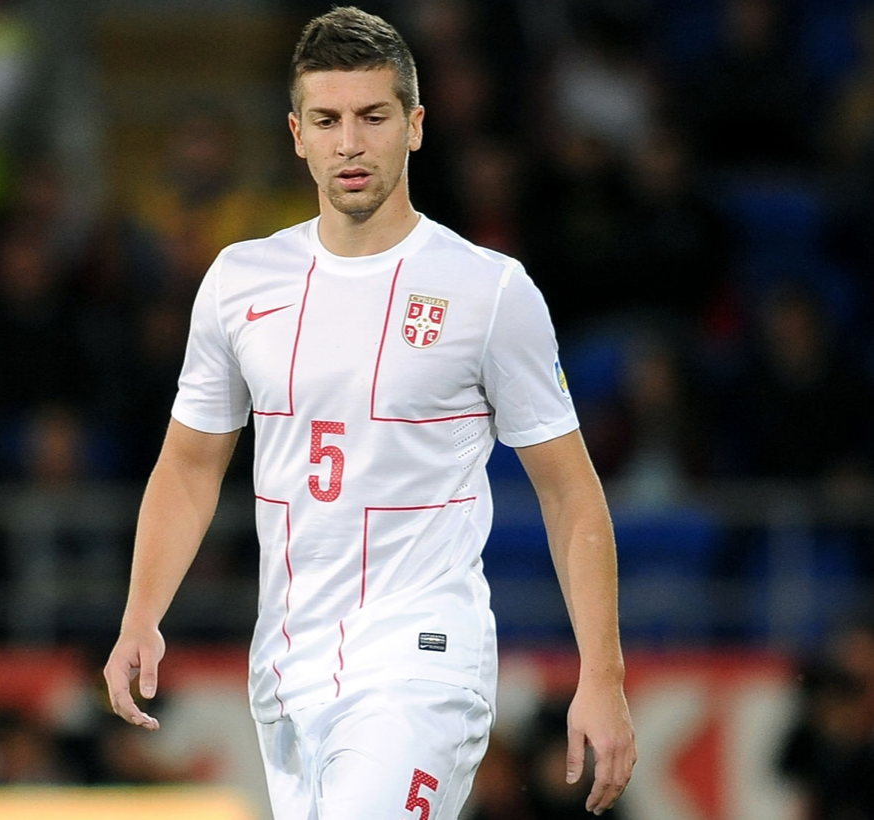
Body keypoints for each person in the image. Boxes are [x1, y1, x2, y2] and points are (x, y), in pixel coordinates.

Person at [103, 7, 636, 819]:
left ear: (415, 126)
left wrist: (603, 675)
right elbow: (189, 464)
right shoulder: (240, 281)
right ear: (296, 133)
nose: (350, 142)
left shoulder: (488, 291)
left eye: (373, 117)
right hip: (286, 669)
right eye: (328, 119)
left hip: (421, 664)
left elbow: (570, 491)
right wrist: (141, 614)